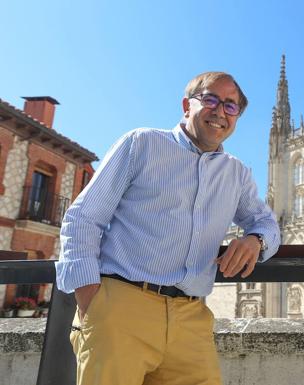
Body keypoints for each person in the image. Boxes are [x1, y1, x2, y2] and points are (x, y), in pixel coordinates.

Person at [55, 71, 280, 385]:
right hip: (122, 307)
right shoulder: (142, 144)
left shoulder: (237, 174)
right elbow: (83, 218)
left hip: (191, 319)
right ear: (187, 105)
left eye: (231, 106)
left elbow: (267, 223)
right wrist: (92, 302)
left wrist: (256, 240)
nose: (220, 111)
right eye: (211, 99)